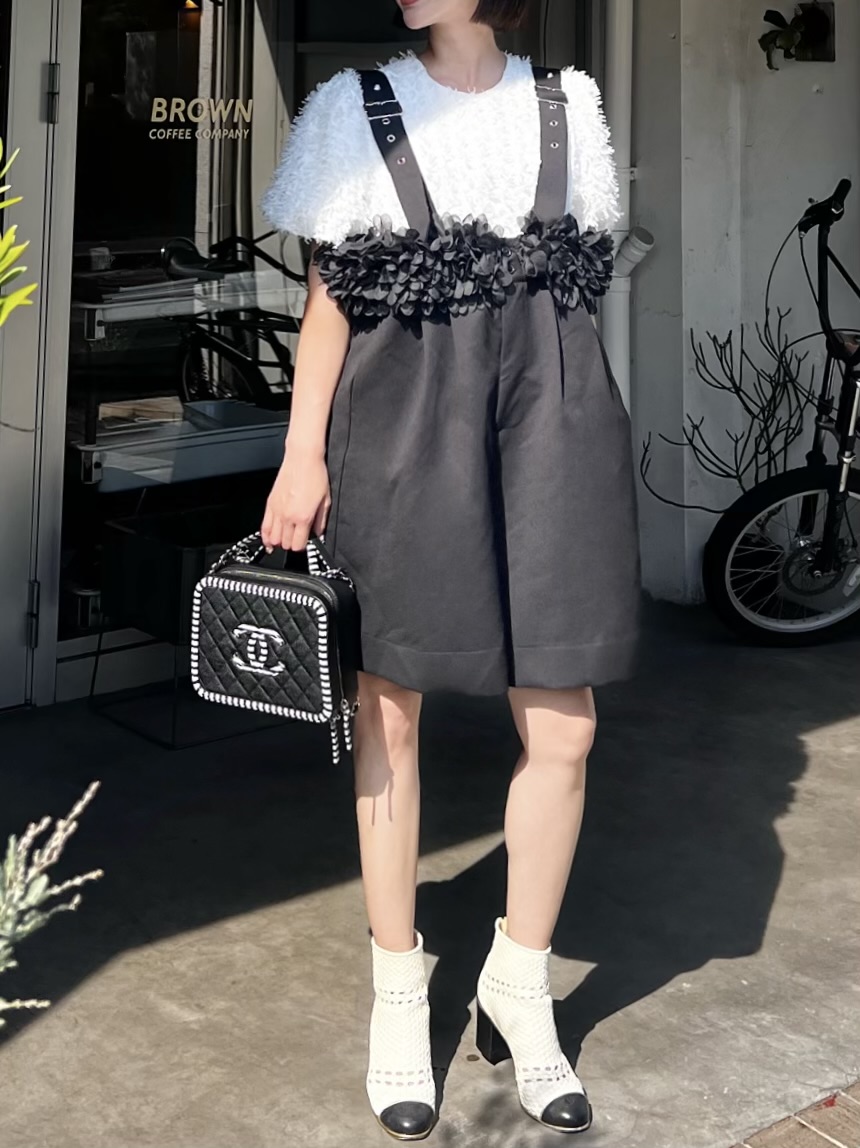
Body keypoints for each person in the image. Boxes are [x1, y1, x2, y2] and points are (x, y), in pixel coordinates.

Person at [260, 0, 641, 1139]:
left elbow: (586, 284)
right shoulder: (354, 106)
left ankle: (518, 981)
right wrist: (300, 457)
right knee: (390, 705)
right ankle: (397, 987)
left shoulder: (566, 105)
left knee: (564, 724)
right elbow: (329, 301)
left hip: (554, 422)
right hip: (401, 422)